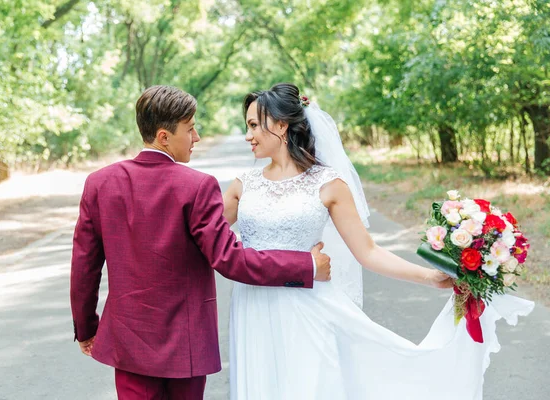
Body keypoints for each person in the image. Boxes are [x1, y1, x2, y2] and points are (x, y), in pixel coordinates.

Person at [223, 83, 535, 400]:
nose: (248, 135)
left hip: (306, 308)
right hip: (251, 306)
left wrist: (432, 277)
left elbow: (368, 251)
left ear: (281, 124)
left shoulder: (328, 184)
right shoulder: (242, 186)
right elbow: (207, 238)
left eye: (253, 125)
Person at [70, 85, 332, 400]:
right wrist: (306, 264)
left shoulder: (99, 183)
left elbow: (84, 266)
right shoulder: (197, 187)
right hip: (187, 345)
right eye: (191, 129)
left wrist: (86, 328)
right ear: (165, 137)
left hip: (129, 343)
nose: (196, 137)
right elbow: (231, 260)